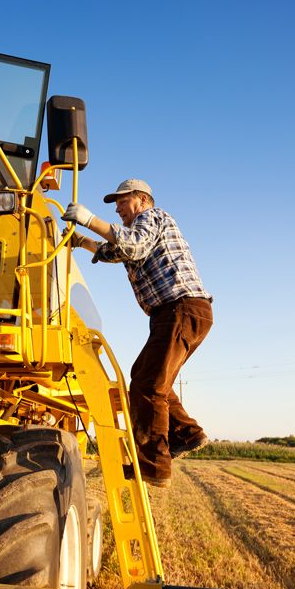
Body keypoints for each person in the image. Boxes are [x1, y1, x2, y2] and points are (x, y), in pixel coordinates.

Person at [62, 179, 212, 487]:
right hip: (175, 313)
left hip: (180, 309)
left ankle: (155, 466)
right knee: (145, 375)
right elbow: (116, 253)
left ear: (141, 200)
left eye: (121, 201)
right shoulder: (141, 228)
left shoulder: (152, 218)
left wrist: (90, 220)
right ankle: (187, 434)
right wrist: (82, 242)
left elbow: (132, 245)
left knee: (148, 385)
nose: (117, 208)